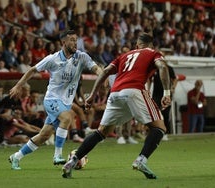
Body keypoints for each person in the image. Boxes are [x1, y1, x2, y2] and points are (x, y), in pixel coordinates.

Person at [62, 32, 171, 179]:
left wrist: (92, 95)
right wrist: (167, 92)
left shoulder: (124, 55)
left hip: (115, 93)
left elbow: (106, 71)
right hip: (135, 90)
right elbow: (163, 67)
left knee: (101, 132)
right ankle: (141, 160)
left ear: (137, 45)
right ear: (151, 45)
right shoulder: (153, 53)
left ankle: (73, 161)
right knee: (159, 127)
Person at [8, 30, 102, 170]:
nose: (75, 43)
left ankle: (16, 157)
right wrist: (18, 86)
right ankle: (57, 155)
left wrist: (102, 76)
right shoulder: (53, 59)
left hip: (65, 102)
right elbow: (33, 70)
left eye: (76, 40)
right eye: (71, 40)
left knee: (44, 135)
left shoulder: (81, 57)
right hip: (52, 99)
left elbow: (96, 68)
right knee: (68, 117)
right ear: (63, 42)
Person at [150, 65, 178, 140]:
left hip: (166, 94)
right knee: (155, 114)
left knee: (165, 114)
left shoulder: (169, 68)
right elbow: (149, 79)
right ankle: (155, 133)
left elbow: (175, 79)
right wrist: (148, 89)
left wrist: (173, 88)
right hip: (156, 94)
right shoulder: (154, 69)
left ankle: (165, 133)